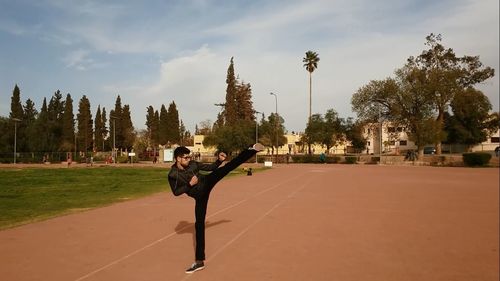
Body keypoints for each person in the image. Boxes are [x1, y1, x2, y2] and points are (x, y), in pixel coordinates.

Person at [168, 143, 264, 274]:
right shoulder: (173, 174)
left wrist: (219, 161)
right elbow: (176, 192)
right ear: (178, 158)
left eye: (189, 157)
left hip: (207, 182)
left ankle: (251, 150)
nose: (189, 159)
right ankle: (199, 261)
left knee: (227, 167)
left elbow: (210, 167)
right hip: (199, 196)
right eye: (186, 158)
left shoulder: (193, 164)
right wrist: (190, 185)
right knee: (199, 225)